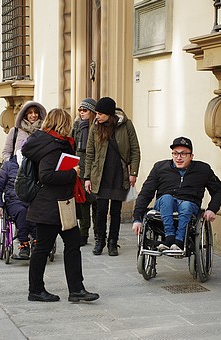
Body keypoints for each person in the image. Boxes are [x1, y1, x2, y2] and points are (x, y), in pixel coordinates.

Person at [22, 108, 99, 303]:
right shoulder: (53, 147)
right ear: (62, 124)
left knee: (71, 245)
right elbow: (46, 176)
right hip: (50, 207)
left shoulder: (53, 143)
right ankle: (36, 290)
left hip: (58, 205)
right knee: (43, 248)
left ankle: (76, 289)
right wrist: (73, 172)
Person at [132, 136, 221, 251]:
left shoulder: (203, 170)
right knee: (167, 198)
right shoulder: (160, 168)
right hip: (164, 206)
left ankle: (179, 241)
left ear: (191, 156)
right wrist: (137, 218)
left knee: (186, 205)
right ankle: (170, 238)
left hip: (189, 207)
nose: (178, 158)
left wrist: (212, 209)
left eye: (183, 154)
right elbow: (146, 193)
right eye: (175, 153)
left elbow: (219, 191)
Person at [84, 97, 141, 256]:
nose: (97, 116)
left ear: (109, 114)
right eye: (96, 113)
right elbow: (90, 153)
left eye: (100, 114)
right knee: (101, 210)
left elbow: (135, 150)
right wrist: (87, 177)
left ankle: (112, 242)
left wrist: (133, 173)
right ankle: (100, 240)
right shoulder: (95, 127)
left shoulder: (126, 125)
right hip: (100, 175)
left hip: (119, 174)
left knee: (116, 211)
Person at [0, 155, 36, 259]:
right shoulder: (9, 166)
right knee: (22, 212)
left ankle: (37, 241)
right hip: (14, 201)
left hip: (32, 199)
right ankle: (24, 243)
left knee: (36, 210)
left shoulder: (36, 163)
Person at [72, 98, 98, 246]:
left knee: (96, 203)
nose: (82, 113)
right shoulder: (77, 125)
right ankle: (83, 234)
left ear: (92, 112)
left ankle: (98, 234)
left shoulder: (97, 127)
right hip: (80, 169)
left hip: (95, 170)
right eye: (80, 110)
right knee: (82, 203)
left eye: (85, 110)